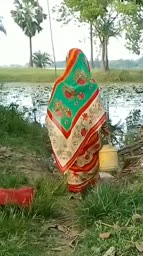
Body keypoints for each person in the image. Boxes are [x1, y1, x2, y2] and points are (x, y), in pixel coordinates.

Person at [46, 48, 110, 193]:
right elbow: (97, 110)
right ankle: (88, 187)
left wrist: (59, 129)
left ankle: (73, 186)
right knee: (89, 149)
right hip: (87, 132)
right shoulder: (91, 85)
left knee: (71, 149)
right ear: (84, 64)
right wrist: (104, 127)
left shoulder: (59, 85)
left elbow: (52, 112)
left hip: (65, 134)